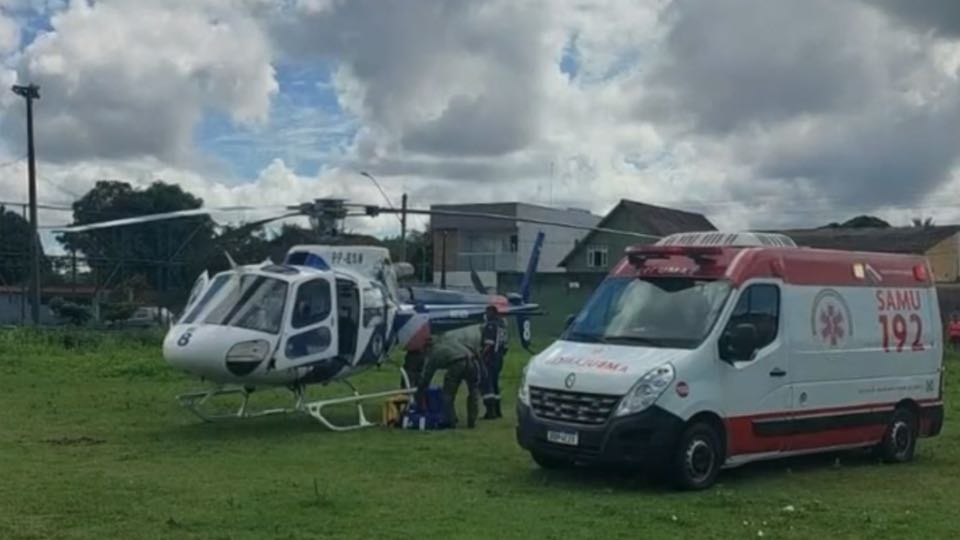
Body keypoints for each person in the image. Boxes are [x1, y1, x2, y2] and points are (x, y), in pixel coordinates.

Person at [416, 325, 483, 428]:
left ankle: (450, 421)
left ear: (427, 347)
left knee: (447, 395)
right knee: (473, 391)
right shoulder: (449, 342)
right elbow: (472, 349)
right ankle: (472, 421)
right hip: (472, 361)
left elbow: (427, 376)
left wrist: (420, 388)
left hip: (457, 364)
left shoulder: (433, 353)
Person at [481, 305, 508, 419]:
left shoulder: (491, 326)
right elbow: (505, 346)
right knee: (495, 383)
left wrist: (482, 356)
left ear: (492, 313)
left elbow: (489, 344)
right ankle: (498, 410)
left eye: (487, 313)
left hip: (490, 358)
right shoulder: (502, 326)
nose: (486, 315)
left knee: (488, 384)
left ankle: (490, 412)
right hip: (499, 358)